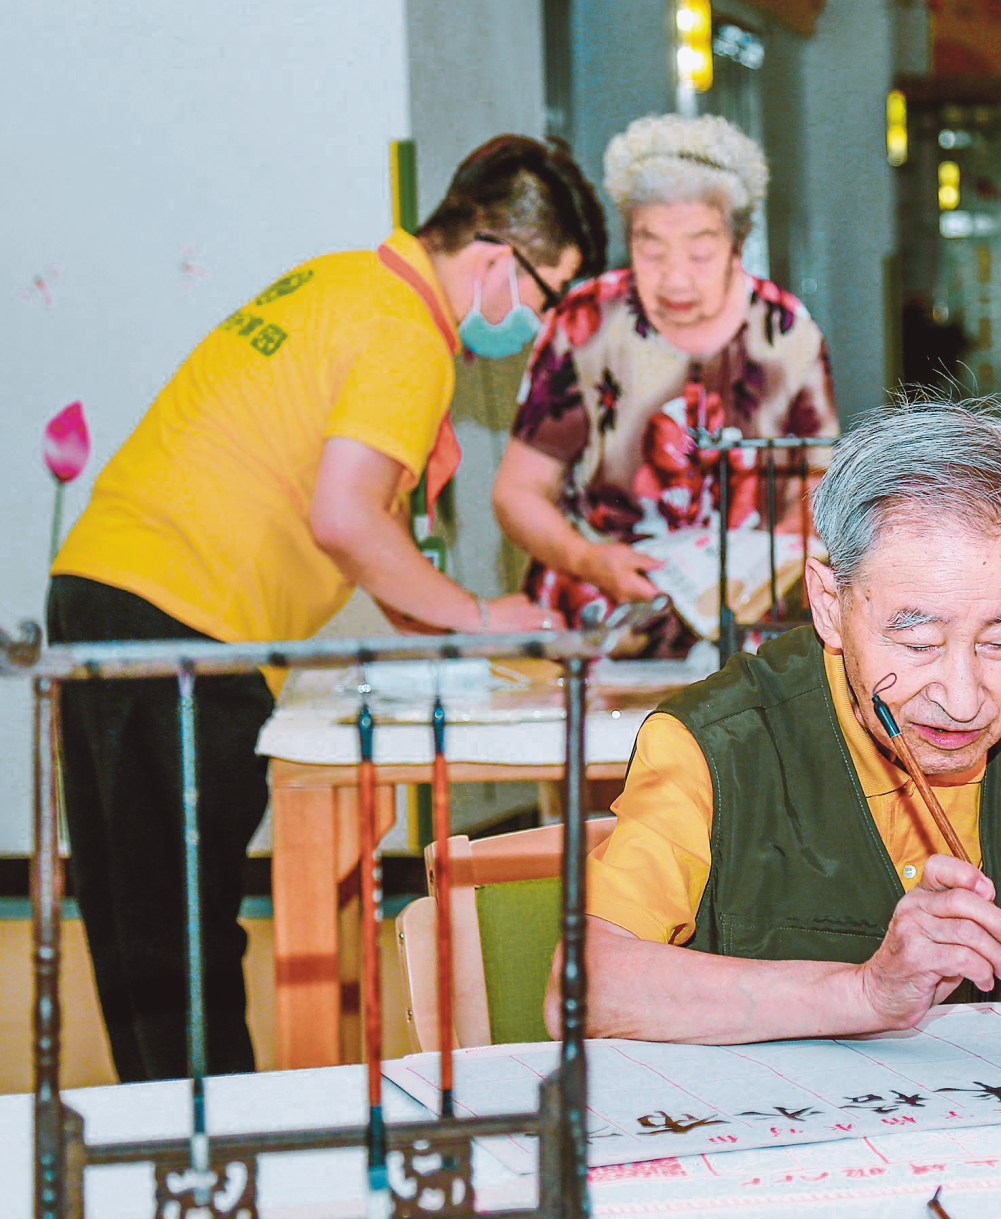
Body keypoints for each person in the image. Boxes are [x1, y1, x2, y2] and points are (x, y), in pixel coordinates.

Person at [48, 135, 608, 1082]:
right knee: (180, 935)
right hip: (183, 622)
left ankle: (172, 1139)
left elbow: (374, 549)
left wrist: (465, 619)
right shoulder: (408, 336)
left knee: (138, 921)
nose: (539, 326)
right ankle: (212, 1147)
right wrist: (485, 618)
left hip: (100, 587)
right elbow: (347, 521)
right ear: (497, 258)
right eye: (548, 296)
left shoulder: (342, 281)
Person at [554, 401, 1001, 1061]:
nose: (962, 700)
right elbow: (583, 986)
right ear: (828, 603)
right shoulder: (716, 745)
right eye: (917, 641)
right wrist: (864, 994)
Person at [495, 114, 839, 654]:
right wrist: (587, 559)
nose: (675, 278)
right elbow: (518, 492)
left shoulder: (785, 332)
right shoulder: (587, 323)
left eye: (701, 253)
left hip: (745, 630)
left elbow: (819, 484)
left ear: (738, 244)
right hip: (600, 620)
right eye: (651, 250)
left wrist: (786, 552)